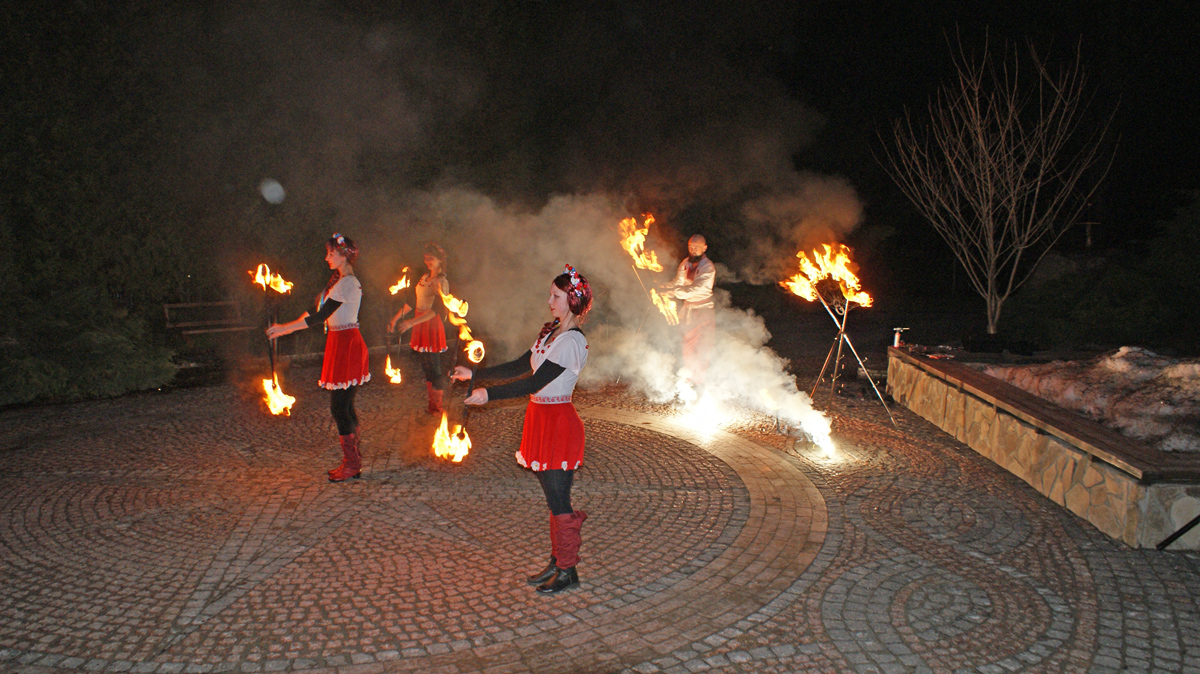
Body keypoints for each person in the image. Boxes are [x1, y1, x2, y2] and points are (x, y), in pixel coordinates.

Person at [451, 265, 592, 594]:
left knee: (559, 499)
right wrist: (475, 374)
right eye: (551, 295)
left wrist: (489, 395)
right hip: (540, 418)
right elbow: (520, 364)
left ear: (572, 300)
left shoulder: (572, 342)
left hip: (559, 422)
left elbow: (535, 381)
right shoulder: (550, 333)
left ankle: (568, 569)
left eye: (556, 296)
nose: (549, 301)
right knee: (552, 498)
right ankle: (557, 562)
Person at [267, 233, 371, 482]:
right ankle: (353, 462)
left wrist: (285, 328)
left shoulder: (347, 283)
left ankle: (352, 464)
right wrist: (287, 325)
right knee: (344, 405)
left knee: (339, 407)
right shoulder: (339, 281)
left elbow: (319, 317)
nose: (327, 258)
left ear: (343, 255)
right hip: (341, 341)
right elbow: (315, 310)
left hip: (347, 344)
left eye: (331, 253)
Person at [389, 243, 450, 414]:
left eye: (431, 258)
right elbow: (413, 302)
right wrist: (396, 319)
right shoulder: (424, 278)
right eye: (426, 258)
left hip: (431, 324)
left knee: (434, 365)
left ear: (439, 260)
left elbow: (436, 309)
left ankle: (437, 406)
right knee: (425, 364)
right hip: (419, 322)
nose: (427, 261)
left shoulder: (441, 281)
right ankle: (432, 405)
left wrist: (411, 323)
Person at [659, 234, 715, 387]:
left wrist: (674, 292)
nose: (693, 250)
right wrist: (665, 287)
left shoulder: (708, 267)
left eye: (696, 247)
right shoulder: (685, 263)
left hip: (702, 311)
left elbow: (697, 288)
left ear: (704, 248)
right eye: (691, 247)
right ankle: (689, 380)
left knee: (702, 346)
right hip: (688, 311)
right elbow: (678, 282)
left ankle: (701, 382)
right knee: (688, 346)